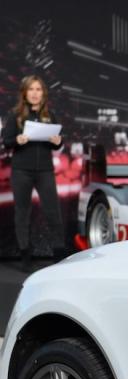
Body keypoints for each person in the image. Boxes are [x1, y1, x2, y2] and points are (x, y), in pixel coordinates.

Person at [1, 75, 65, 271]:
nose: (35, 93)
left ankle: (59, 255)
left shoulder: (50, 115)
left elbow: (58, 144)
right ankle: (25, 256)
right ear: (25, 93)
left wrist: (58, 142)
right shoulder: (16, 115)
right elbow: (6, 140)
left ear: (43, 93)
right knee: (22, 213)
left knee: (53, 212)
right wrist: (17, 140)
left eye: (38, 89)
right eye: (31, 89)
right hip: (21, 170)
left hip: (45, 170)